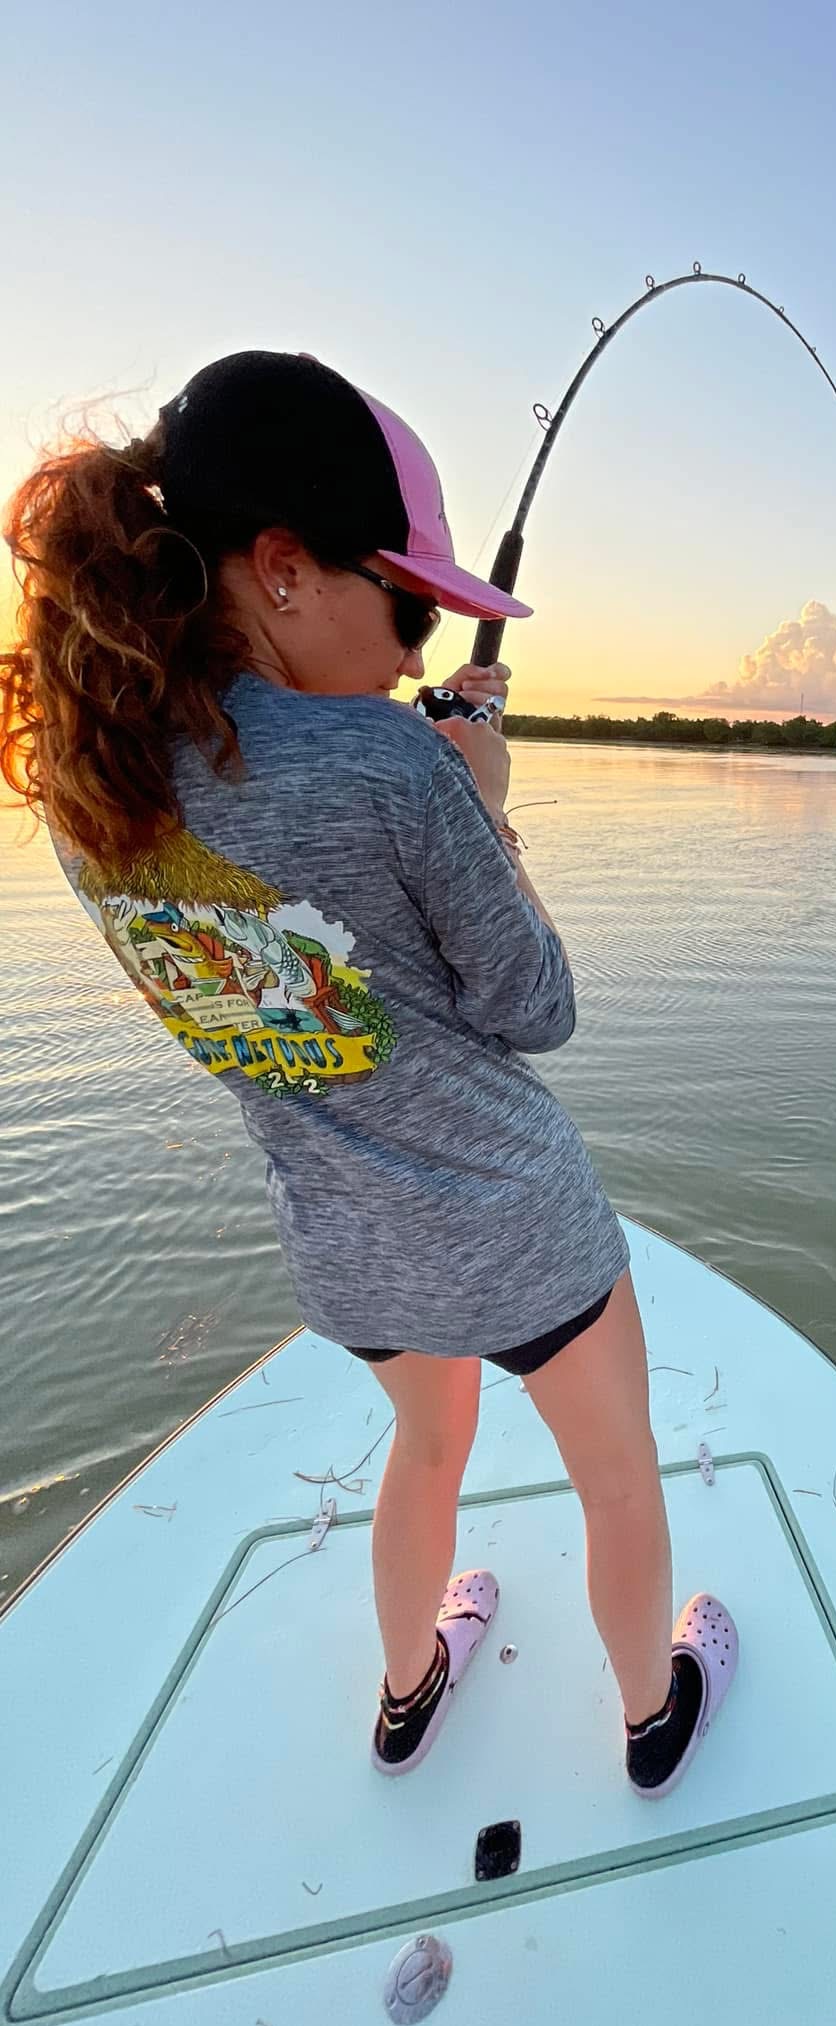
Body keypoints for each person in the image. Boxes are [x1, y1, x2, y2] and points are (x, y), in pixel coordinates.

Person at [1, 350, 735, 1790]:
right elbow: (536, 1006)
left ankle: (408, 1693)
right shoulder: (397, 766)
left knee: (425, 1460)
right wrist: (481, 803)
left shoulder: (94, 789)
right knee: (618, 1477)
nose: (415, 653)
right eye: (407, 606)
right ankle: (654, 1715)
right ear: (282, 566)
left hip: (345, 1252)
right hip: (523, 1233)